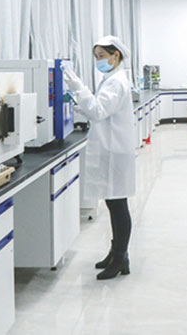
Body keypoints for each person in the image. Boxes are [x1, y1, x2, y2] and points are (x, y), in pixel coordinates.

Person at [63, 36, 135, 280]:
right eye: (96, 57)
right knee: (113, 203)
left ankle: (121, 257)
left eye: (102, 56)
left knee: (117, 204)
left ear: (116, 56)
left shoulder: (116, 83)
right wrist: (79, 106)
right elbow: (99, 111)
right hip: (112, 148)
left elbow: (98, 110)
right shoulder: (111, 79)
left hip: (114, 151)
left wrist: (78, 87)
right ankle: (115, 254)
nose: (99, 61)